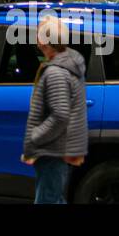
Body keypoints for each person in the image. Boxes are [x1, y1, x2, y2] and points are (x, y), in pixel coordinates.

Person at [21, 16, 88, 205]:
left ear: (44, 40)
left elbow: (60, 115)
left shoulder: (56, 72)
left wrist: (36, 137)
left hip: (52, 149)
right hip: (57, 148)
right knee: (53, 197)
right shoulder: (65, 64)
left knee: (48, 199)